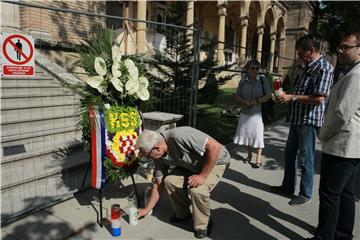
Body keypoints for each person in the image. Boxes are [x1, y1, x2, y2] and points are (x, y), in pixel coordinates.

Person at [135, 127, 231, 239]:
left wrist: (203, 176)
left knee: (197, 190)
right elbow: (158, 184)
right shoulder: (158, 154)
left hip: (216, 160)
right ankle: (183, 214)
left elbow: (215, 147)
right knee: (169, 181)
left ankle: (203, 225)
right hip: (192, 164)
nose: (147, 158)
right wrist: (146, 210)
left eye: (147, 155)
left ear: (157, 148)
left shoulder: (180, 136)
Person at [309, 30, 360, 240]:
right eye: (340, 46)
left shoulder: (356, 75)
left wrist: (323, 134)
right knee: (346, 193)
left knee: (329, 194)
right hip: (350, 146)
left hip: (342, 144)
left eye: (345, 47)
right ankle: (342, 234)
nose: (340, 50)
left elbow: (341, 112)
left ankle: (324, 237)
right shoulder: (352, 72)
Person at [271, 34, 334, 206]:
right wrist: (284, 96)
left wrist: (292, 97)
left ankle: (305, 194)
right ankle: (287, 186)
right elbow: (301, 91)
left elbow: (319, 98)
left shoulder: (324, 68)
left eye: (300, 54)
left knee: (306, 158)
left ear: (311, 51)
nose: (299, 57)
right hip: (297, 119)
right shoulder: (307, 66)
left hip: (308, 121)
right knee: (289, 154)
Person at [233, 59, 271, 167]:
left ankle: (258, 157)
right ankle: (249, 154)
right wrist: (244, 102)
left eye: (257, 68)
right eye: (252, 68)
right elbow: (237, 95)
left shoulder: (262, 80)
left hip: (257, 113)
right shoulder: (243, 80)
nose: (255, 71)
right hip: (245, 112)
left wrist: (257, 101)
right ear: (247, 69)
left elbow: (268, 95)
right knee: (248, 134)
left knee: (258, 134)